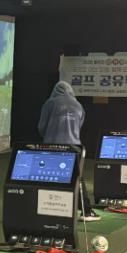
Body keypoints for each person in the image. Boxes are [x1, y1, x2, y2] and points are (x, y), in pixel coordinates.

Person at [37, 81, 100, 222]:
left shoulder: (49, 103)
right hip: (73, 147)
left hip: (51, 147)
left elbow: (41, 127)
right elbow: (79, 126)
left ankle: (48, 211)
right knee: (77, 178)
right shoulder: (78, 105)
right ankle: (86, 211)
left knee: (49, 178)